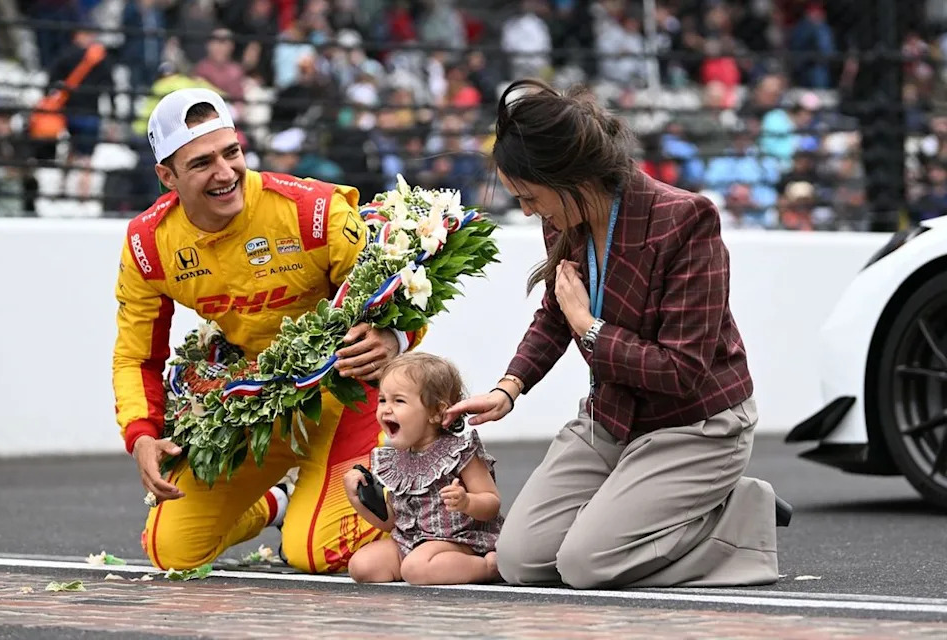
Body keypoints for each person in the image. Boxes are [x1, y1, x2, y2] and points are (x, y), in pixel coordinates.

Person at [445, 79, 790, 589]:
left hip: (694, 423)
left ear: (568, 176)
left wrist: (590, 327)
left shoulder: (686, 219)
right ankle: (642, 510)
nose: (526, 211)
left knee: (588, 565)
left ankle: (740, 514)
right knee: (521, 561)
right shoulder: (564, 215)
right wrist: (508, 388)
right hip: (613, 417)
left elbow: (682, 371)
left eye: (529, 197)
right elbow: (556, 312)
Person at [112, 87, 424, 572]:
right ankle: (279, 502)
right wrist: (142, 434)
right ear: (166, 176)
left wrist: (394, 338)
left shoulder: (314, 211)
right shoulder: (149, 245)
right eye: (201, 164)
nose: (224, 173)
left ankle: (427, 504)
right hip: (258, 403)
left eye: (231, 152)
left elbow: (403, 294)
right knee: (171, 552)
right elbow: (137, 357)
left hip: (348, 397)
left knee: (313, 552)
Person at [344, 353, 502, 585]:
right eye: (382, 400)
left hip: (458, 542)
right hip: (409, 541)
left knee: (416, 568)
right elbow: (391, 522)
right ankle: (420, 567)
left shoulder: (460, 452)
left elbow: (492, 503)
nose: (386, 409)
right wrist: (359, 500)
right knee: (362, 566)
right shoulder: (397, 460)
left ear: (436, 412)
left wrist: (466, 502)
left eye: (398, 401)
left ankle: (488, 567)